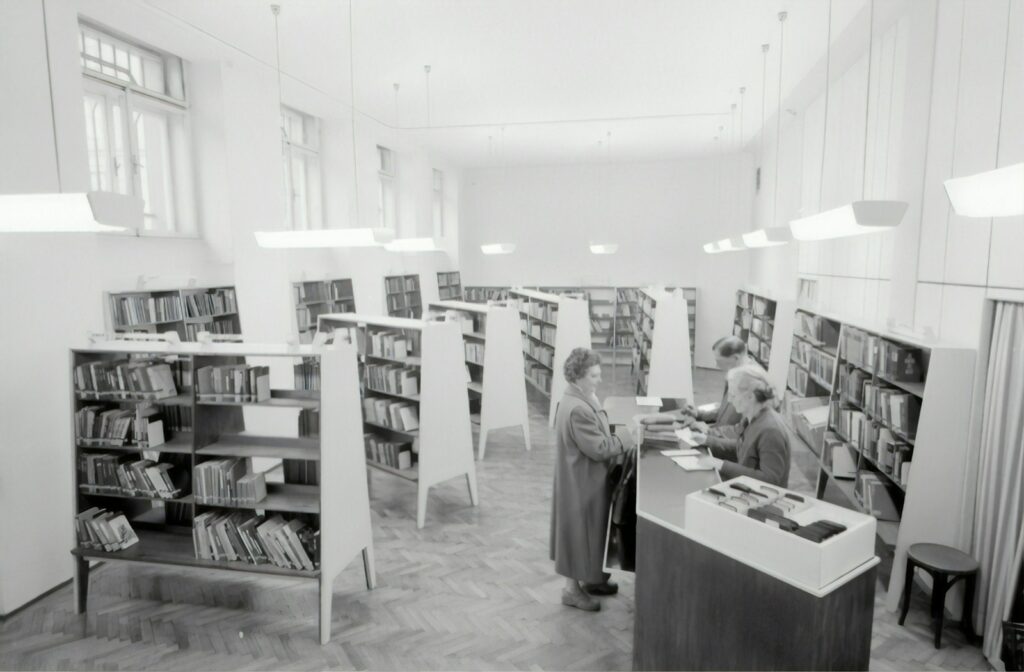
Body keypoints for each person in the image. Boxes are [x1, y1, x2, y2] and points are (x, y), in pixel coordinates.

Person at [550, 347, 636, 612]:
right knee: (580, 535)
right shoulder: (578, 409)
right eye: (594, 375)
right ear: (578, 377)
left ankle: (593, 579)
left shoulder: (581, 397)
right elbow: (599, 449)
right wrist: (628, 436)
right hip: (583, 483)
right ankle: (572, 591)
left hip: (581, 478)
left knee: (593, 533)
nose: (599, 379)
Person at [639, 336, 749, 450]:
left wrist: (708, 430)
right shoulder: (734, 373)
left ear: (735, 358)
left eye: (718, 361)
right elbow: (724, 409)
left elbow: (742, 430)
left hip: (726, 444)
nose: (716, 366)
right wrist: (698, 413)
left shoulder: (750, 383)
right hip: (717, 434)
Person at [692, 364, 791, 487]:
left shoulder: (771, 430)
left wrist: (721, 465)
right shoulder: (754, 417)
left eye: (733, 395)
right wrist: (707, 440)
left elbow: (770, 480)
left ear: (750, 397)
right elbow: (742, 447)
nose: (729, 400)